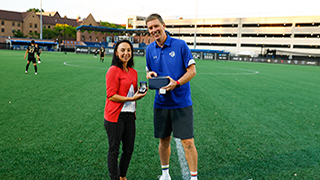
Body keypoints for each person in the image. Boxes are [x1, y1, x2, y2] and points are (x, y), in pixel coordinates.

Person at [145, 14, 198, 180]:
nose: (154, 30)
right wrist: (149, 75)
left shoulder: (180, 45)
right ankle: (165, 174)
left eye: (156, 26)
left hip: (181, 102)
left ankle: (194, 177)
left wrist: (177, 83)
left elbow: (192, 71)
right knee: (163, 141)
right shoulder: (149, 49)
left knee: (188, 142)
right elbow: (148, 72)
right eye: (150, 28)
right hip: (161, 103)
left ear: (163, 25)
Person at [104, 39, 147, 180]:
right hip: (115, 116)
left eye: (128, 50)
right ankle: (115, 178)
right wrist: (131, 99)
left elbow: (133, 91)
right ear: (116, 53)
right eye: (122, 50)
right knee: (114, 150)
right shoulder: (113, 70)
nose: (126, 53)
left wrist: (141, 92)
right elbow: (111, 96)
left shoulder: (133, 72)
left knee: (128, 150)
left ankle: (122, 176)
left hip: (130, 116)